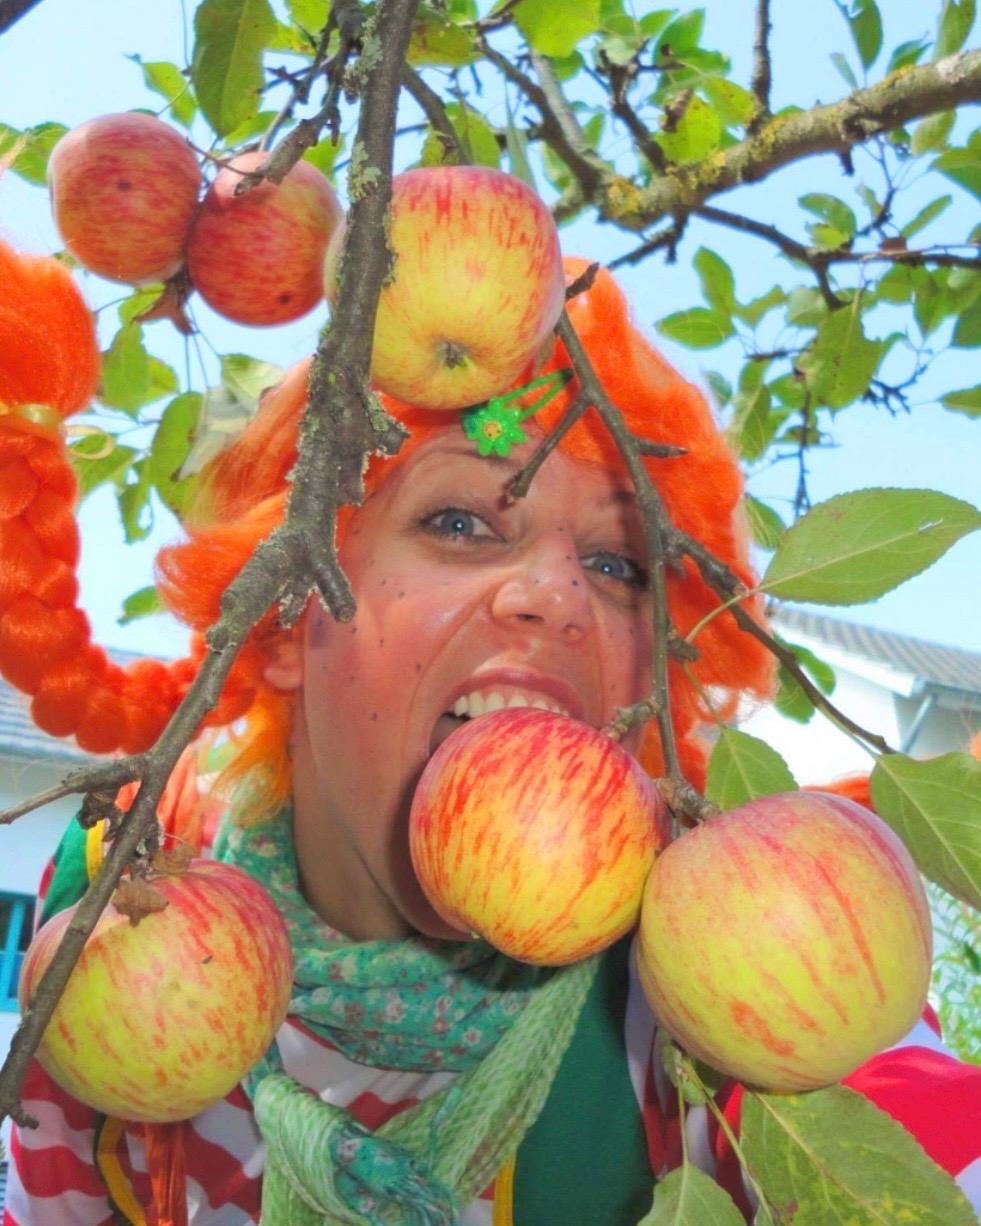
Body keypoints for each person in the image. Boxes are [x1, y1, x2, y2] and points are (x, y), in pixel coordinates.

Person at [0, 237, 978, 1226]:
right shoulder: (119, 892)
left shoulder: (733, 944)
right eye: (462, 521)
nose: (558, 594)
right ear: (290, 615)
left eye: (619, 565)